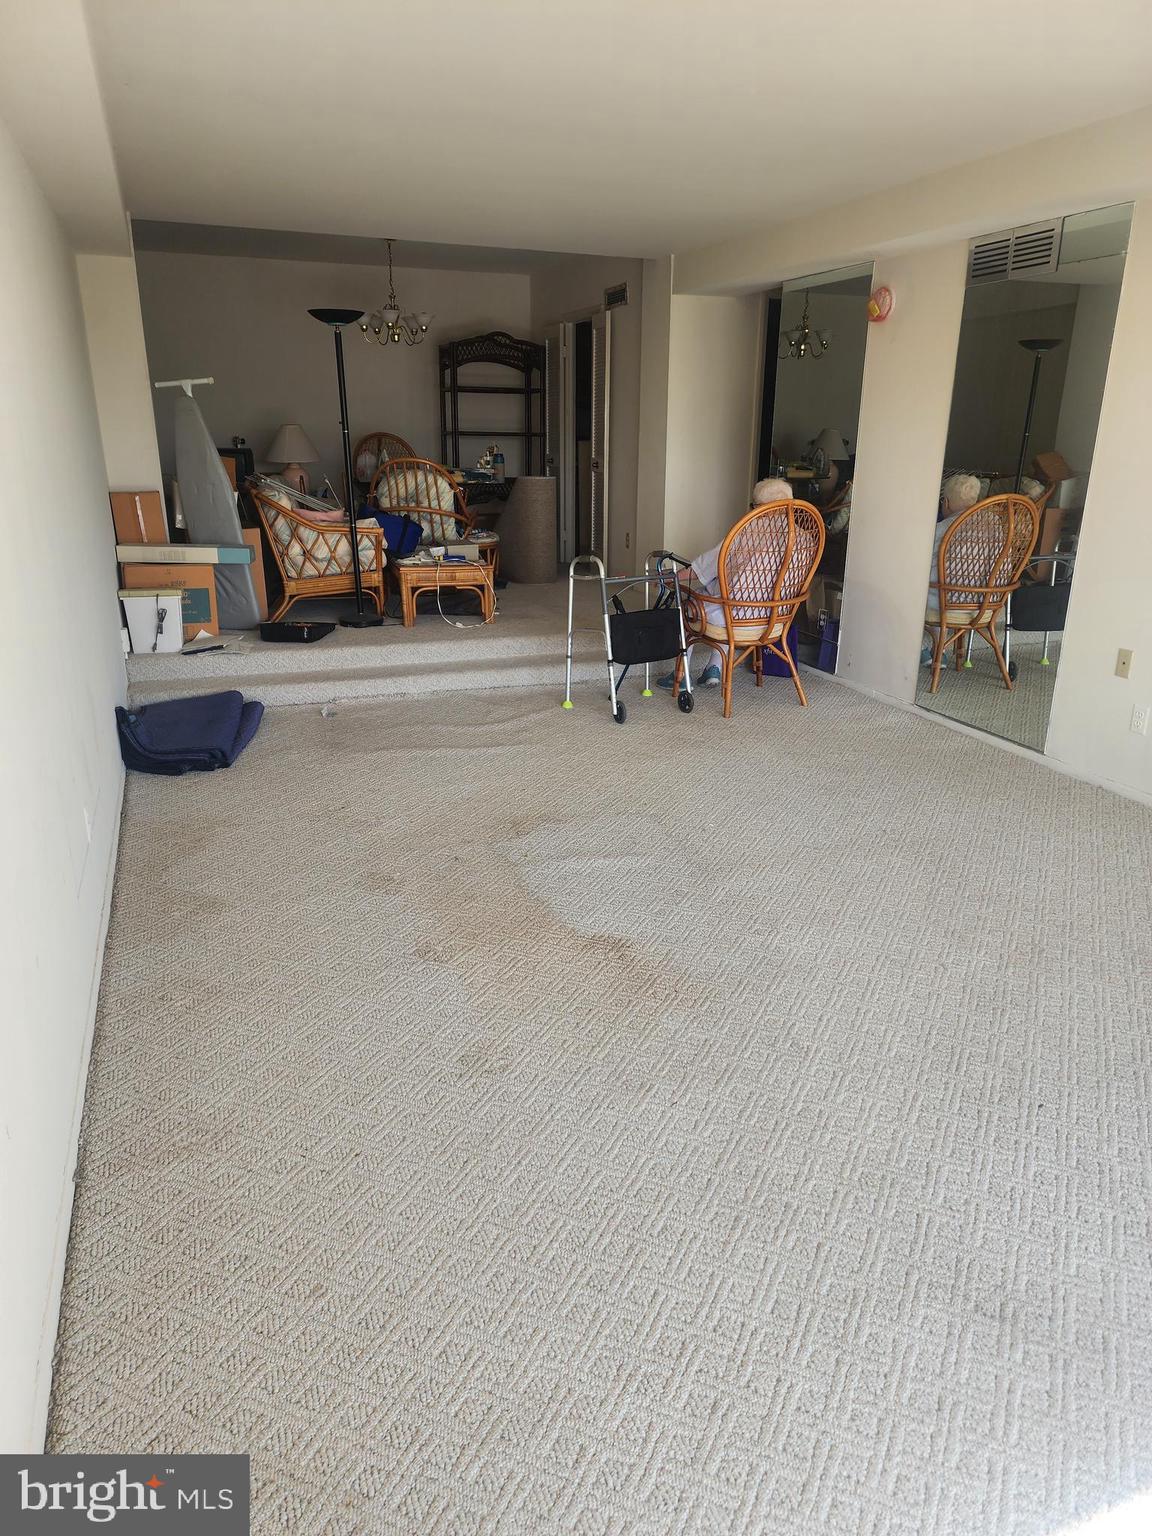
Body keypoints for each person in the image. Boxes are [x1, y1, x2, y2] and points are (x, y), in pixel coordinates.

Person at [658, 478, 793, 688]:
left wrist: (671, 577)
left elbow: (703, 569)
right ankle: (714, 668)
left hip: (734, 619)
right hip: (776, 621)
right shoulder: (805, 540)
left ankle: (681, 675)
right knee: (726, 597)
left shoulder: (745, 533)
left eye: (753, 506)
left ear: (760, 508)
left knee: (691, 605)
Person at [921, 473, 982, 661]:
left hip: (945, 603)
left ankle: (922, 647)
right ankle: (941, 650)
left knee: (920, 585)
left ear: (945, 502)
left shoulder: (942, 528)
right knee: (942, 583)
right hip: (983, 603)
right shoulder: (996, 523)